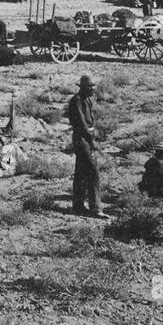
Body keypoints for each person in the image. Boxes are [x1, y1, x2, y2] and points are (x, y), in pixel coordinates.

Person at [66, 75, 108, 218]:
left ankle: (78, 207)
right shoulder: (76, 101)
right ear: (82, 88)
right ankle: (96, 208)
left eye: (92, 86)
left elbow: (90, 122)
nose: (92, 89)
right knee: (93, 171)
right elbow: (81, 124)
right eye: (89, 87)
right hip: (82, 139)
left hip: (86, 138)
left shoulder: (87, 100)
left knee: (81, 173)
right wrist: (91, 140)